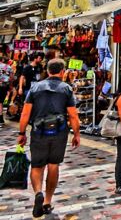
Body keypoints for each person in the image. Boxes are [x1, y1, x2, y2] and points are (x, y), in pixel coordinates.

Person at [17, 58, 80, 219]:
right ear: (62, 72)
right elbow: (73, 115)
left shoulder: (35, 88)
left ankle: (38, 192)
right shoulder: (66, 89)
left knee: (37, 166)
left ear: (48, 71)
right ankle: (47, 201)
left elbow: (25, 113)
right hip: (59, 133)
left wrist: (22, 133)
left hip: (39, 132)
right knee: (53, 166)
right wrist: (76, 134)